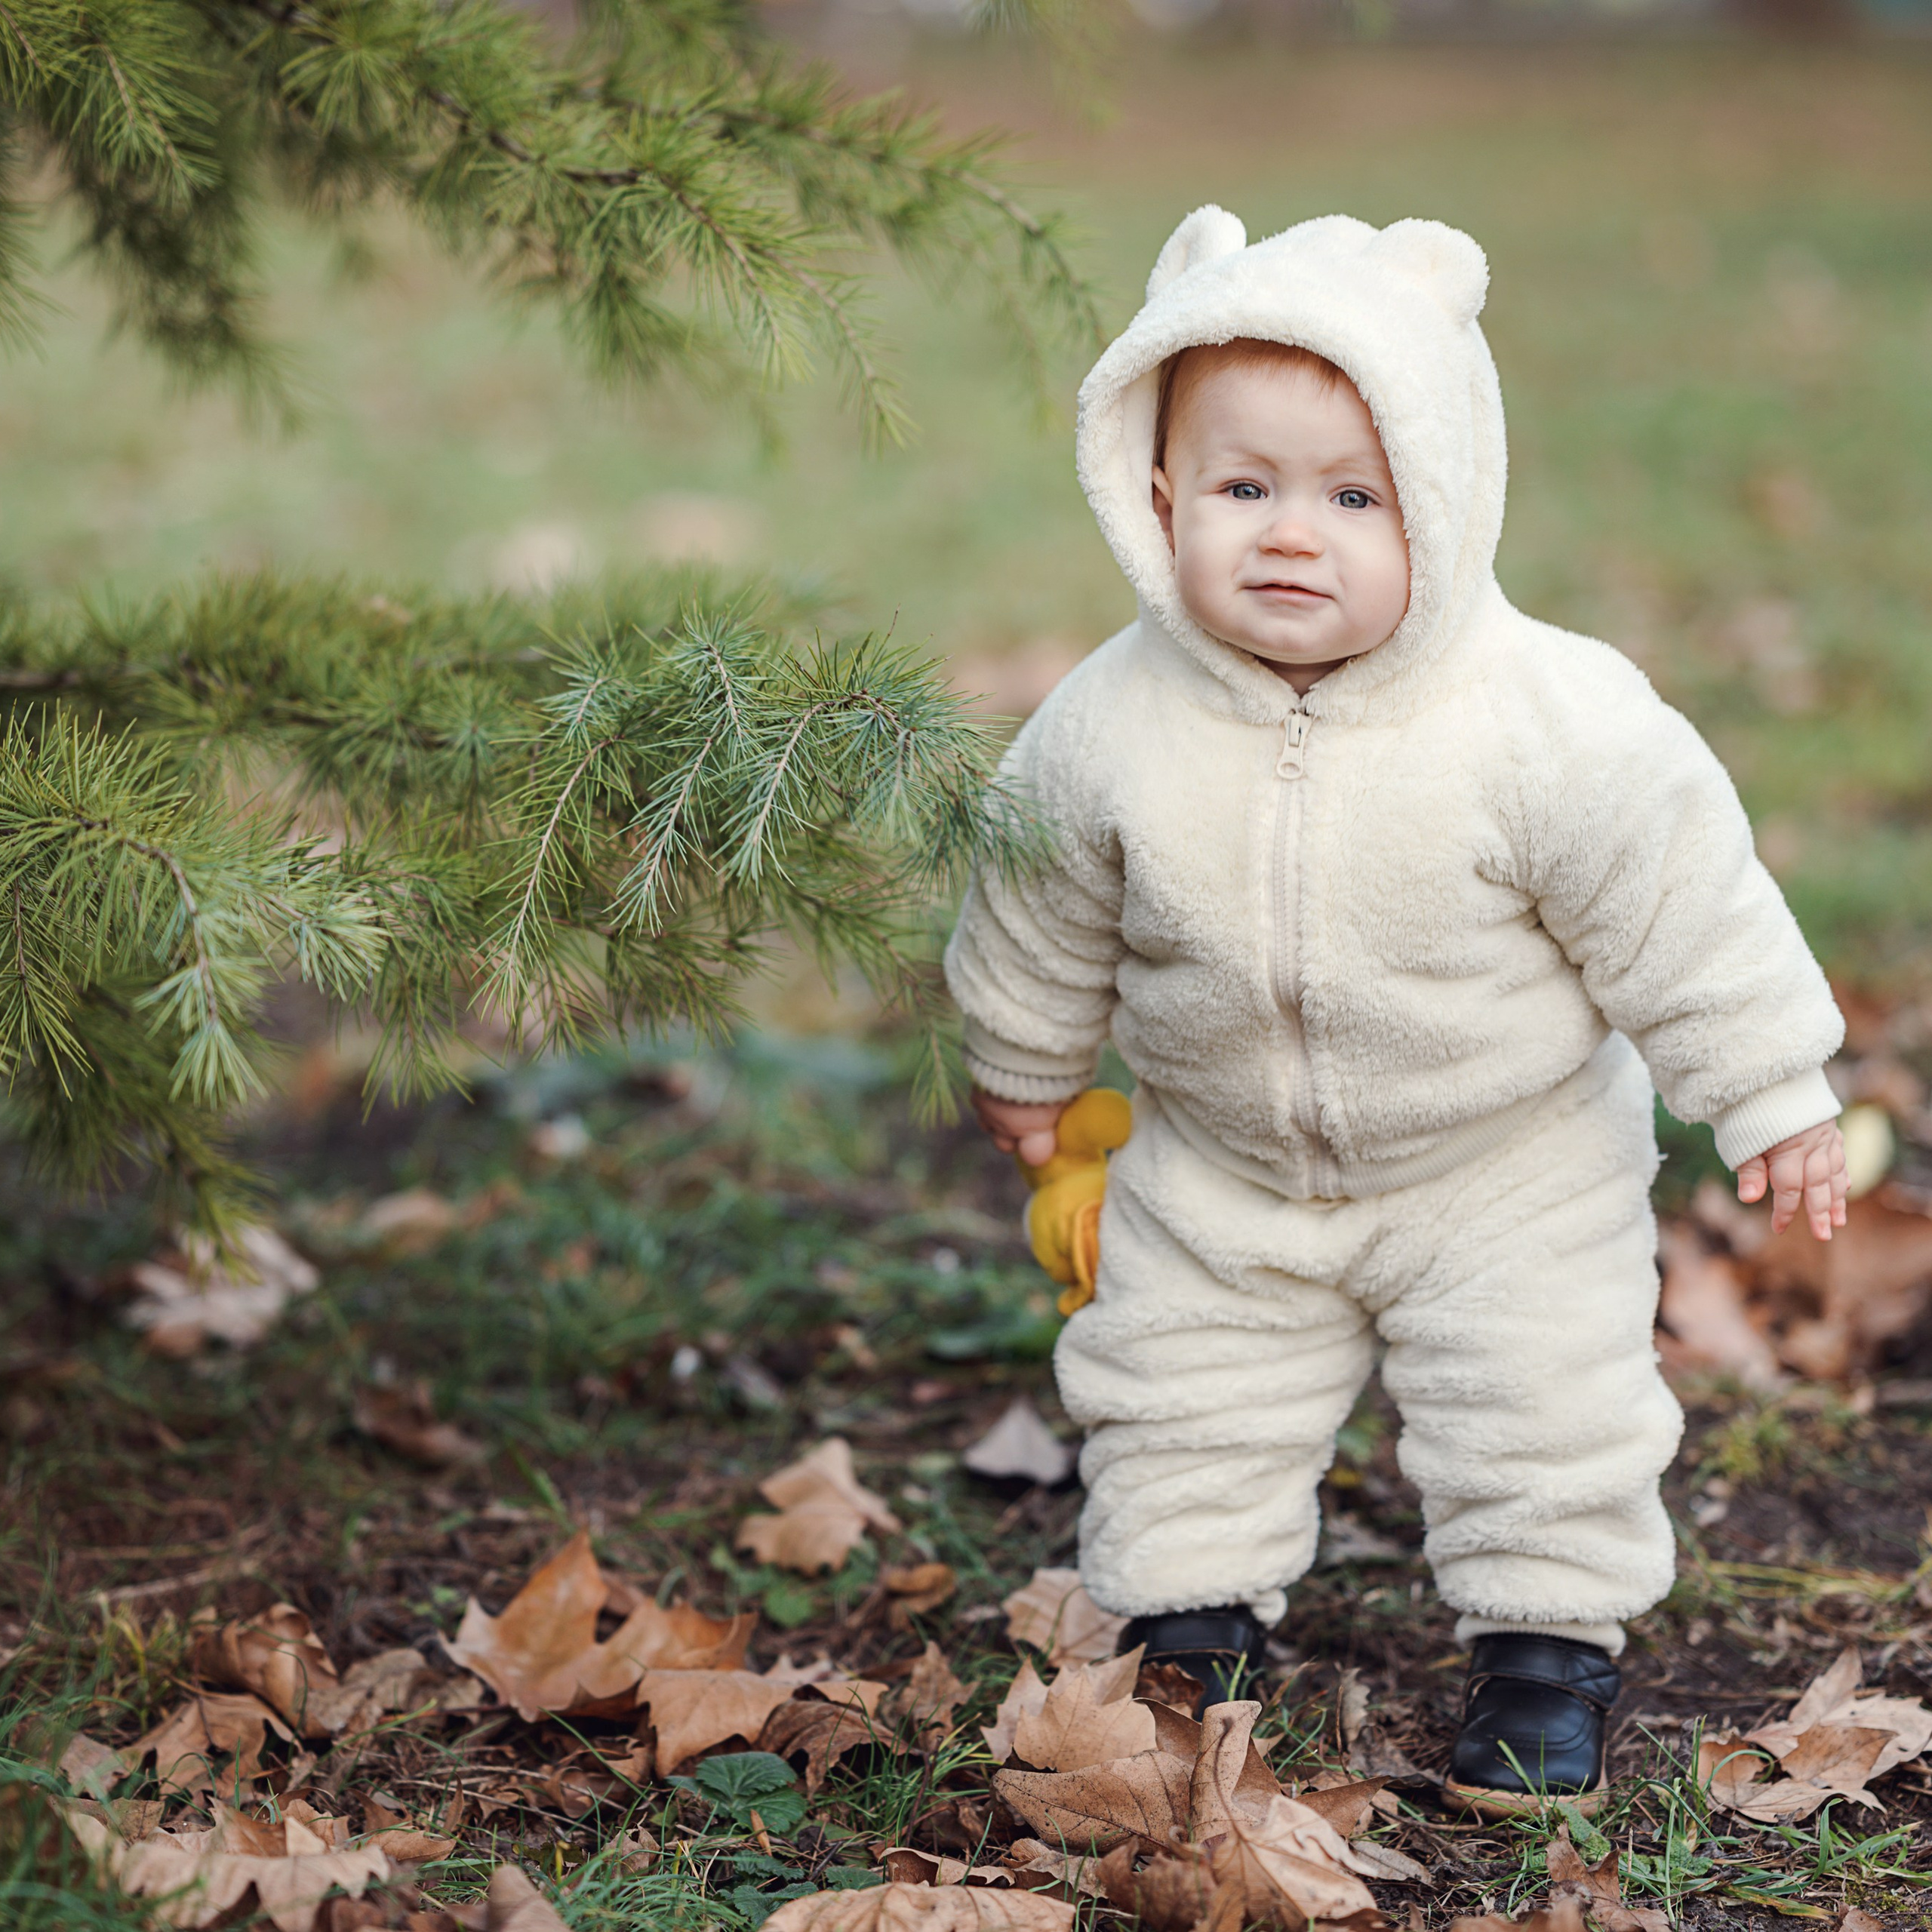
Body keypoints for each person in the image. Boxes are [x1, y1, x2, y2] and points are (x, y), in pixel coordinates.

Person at [944, 208, 1849, 1815]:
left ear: (1445, 500)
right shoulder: (1104, 724)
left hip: (1503, 1158)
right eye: (1243, 488)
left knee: (1542, 1408)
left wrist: (1770, 1083)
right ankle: (1189, 1629)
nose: (1291, 534)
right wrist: (1022, 1056)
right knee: (1173, 1396)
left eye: (1350, 497)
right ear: (1156, 500)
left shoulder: (1542, 721)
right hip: (1218, 1160)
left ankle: (1541, 1652)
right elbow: (1031, 897)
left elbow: (1681, 905)